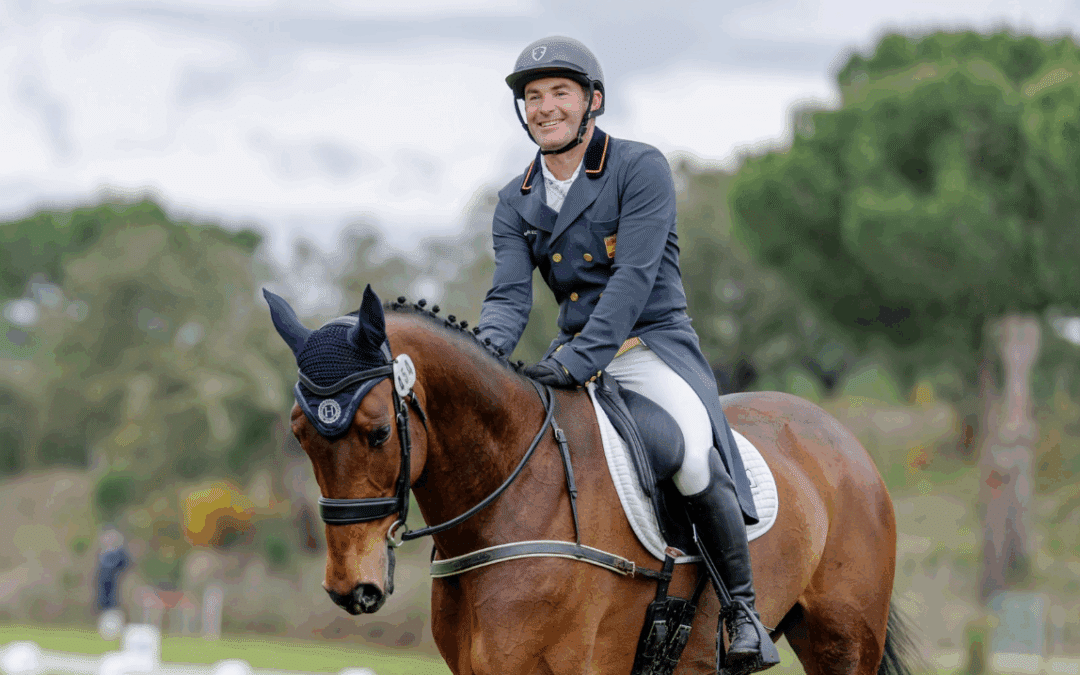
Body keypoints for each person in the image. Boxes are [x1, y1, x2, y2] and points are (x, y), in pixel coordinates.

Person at [476, 36, 778, 674]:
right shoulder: (515, 199)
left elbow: (633, 279)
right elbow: (507, 297)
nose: (545, 107)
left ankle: (742, 612)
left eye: (560, 92)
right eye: (533, 97)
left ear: (593, 101)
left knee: (692, 455)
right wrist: (483, 361)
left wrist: (579, 361)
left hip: (650, 348)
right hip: (572, 357)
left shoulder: (639, 167)